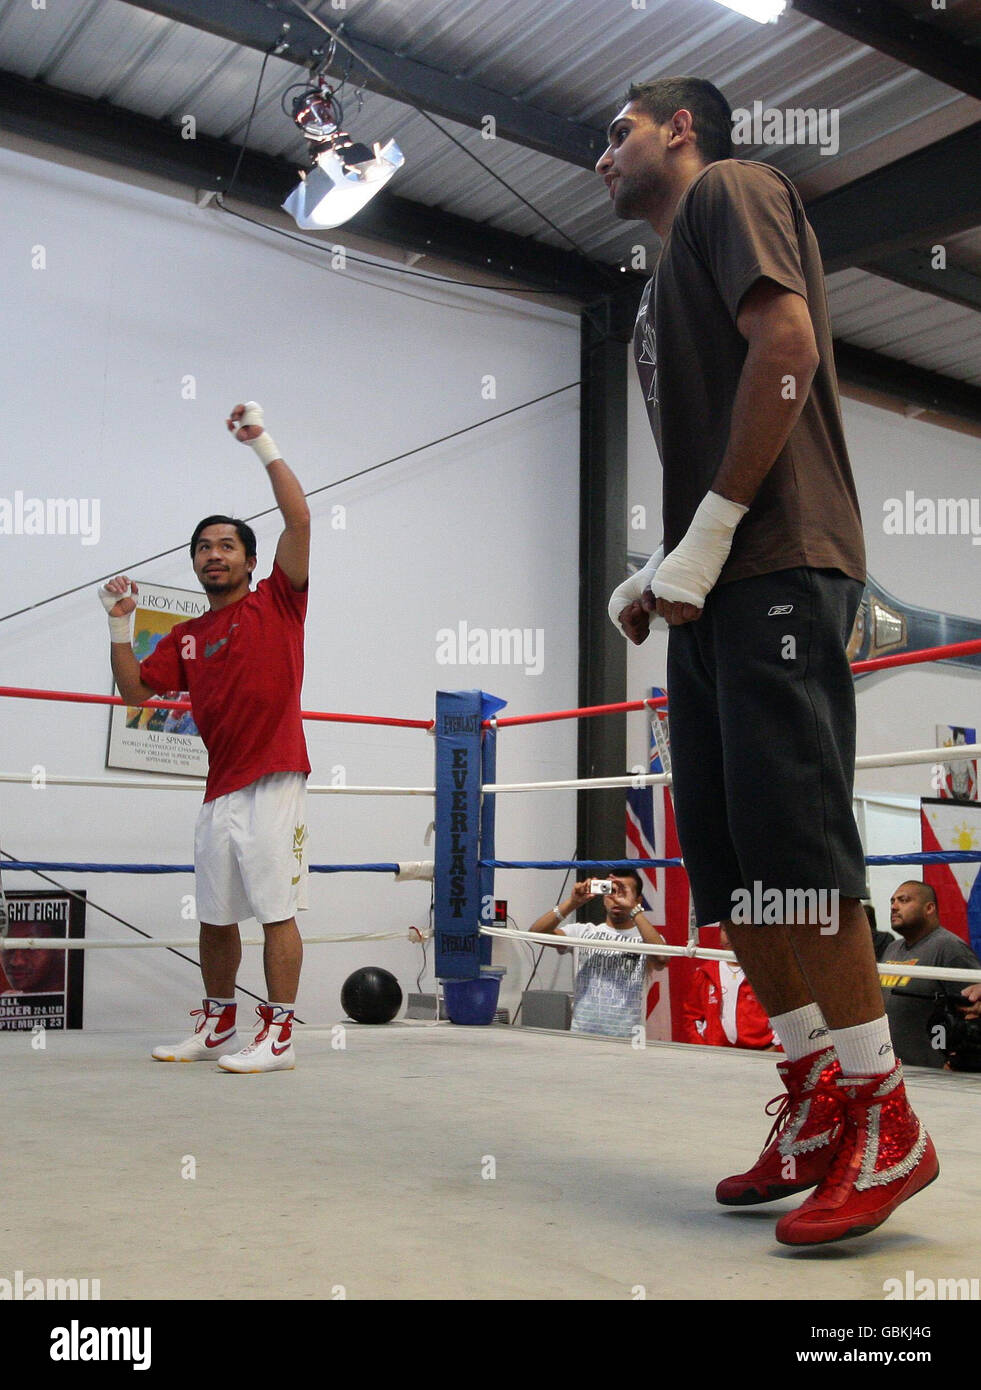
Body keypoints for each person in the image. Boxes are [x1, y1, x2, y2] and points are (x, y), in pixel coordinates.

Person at [598, 76, 937, 1243]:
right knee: (731, 856)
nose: (604, 153)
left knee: (795, 839)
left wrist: (706, 535)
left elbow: (786, 344)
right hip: (721, 578)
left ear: (679, 127)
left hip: (781, 561)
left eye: (620, 129)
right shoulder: (654, 287)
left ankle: (887, 1113)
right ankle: (814, 1094)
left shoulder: (731, 191)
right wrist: (665, 564)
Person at [100, 402, 311, 1074]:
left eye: (225, 545)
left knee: (276, 908)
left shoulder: (278, 600)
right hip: (218, 790)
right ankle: (219, 1020)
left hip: (275, 775)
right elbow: (134, 693)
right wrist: (119, 624)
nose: (212, 554)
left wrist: (261, 443)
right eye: (203, 547)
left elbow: (299, 520)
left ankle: (279, 1035)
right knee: (215, 914)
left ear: (249, 559)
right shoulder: (186, 636)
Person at [529, 869, 667, 1038]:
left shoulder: (646, 938)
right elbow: (535, 933)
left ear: (638, 900)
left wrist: (633, 909)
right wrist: (572, 903)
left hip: (628, 1040)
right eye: (611, 891)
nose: (617, 899)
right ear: (603, 894)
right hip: (582, 1037)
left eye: (624, 892)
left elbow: (661, 960)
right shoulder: (582, 932)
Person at [880, 881, 981, 1069]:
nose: (894, 906)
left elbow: (974, 1011)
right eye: (892, 901)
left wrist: (957, 1060)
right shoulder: (892, 949)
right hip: (896, 1069)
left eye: (904, 900)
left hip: (935, 1074)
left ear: (929, 908)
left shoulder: (950, 948)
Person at [682, 926, 777, 1050]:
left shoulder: (766, 973)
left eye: (739, 928)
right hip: (717, 1056)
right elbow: (692, 1018)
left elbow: (787, 1018)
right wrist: (703, 1051)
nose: (731, 934)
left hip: (761, 1054)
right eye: (725, 929)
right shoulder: (706, 973)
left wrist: (774, 1049)